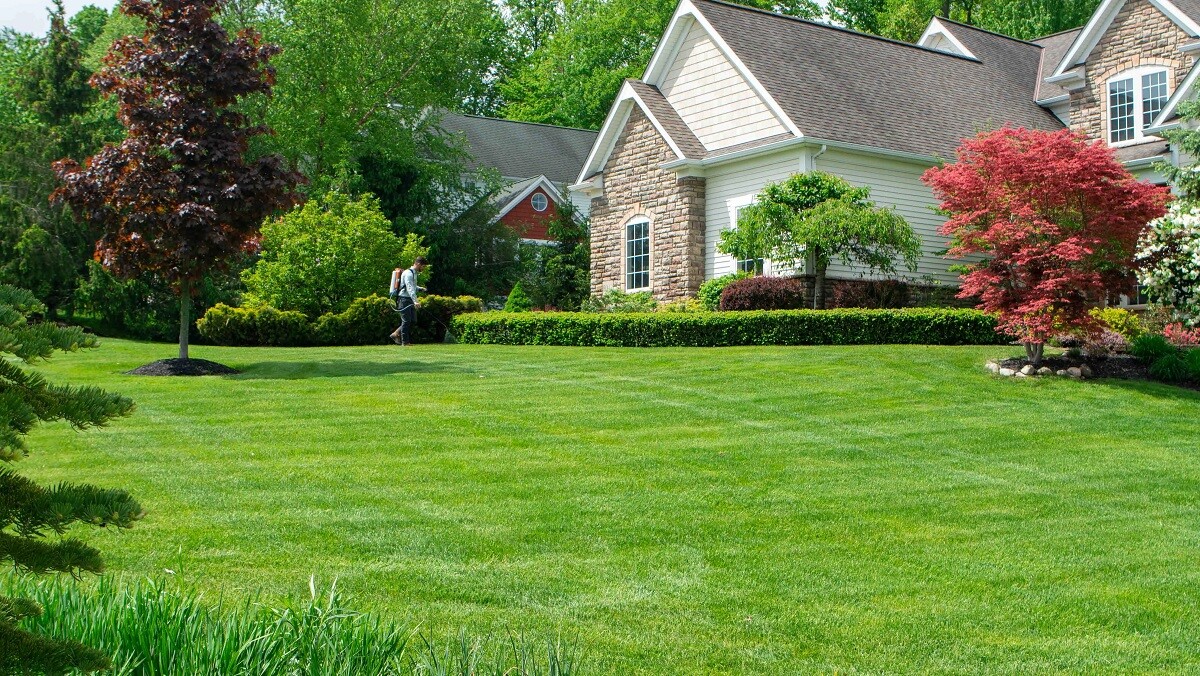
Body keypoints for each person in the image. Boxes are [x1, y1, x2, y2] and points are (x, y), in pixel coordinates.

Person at [390, 257, 427, 346]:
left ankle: (395, 334)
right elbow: (409, 288)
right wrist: (416, 301)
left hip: (408, 299)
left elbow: (411, 286)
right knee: (406, 321)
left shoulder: (414, 273)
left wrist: (420, 289)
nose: (423, 268)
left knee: (413, 320)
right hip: (403, 299)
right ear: (418, 264)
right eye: (423, 266)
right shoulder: (408, 273)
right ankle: (405, 342)